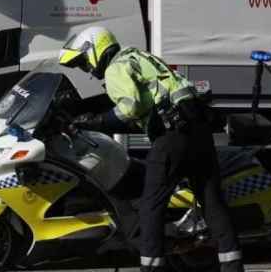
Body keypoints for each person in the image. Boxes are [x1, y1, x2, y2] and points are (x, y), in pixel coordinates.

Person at [59, 26, 243, 272]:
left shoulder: (116, 67)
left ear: (94, 49)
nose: (88, 69)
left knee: (150, 206)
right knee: (212, 202)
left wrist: (95, 121)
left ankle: (153, 268)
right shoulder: (141, 57)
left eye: (84, 62)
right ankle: (233, 266)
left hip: (171, 138)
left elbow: (130, 107)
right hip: (198, 132)